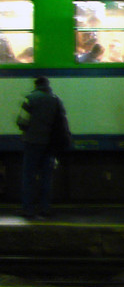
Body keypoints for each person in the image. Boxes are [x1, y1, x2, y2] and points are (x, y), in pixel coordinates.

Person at [15, 76, 68, 219]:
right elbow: (62, 121)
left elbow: (22, 122)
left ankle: (28, 209)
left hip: (32, 142)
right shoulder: (55, 99)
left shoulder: (30, 99)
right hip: (50, 144)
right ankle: (45, 208)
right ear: (47, 85)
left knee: (29, 176)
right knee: (46, 177)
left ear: (36, 85)